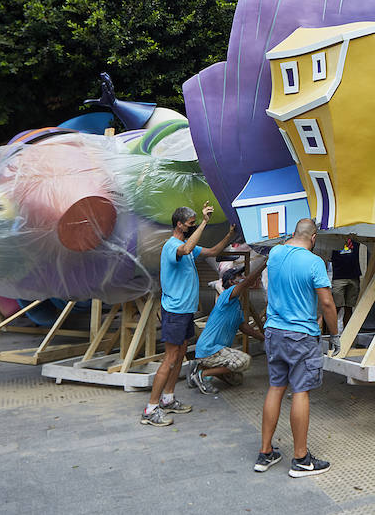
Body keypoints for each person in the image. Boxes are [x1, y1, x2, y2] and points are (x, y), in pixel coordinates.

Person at [142, 202, 236, 426]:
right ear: (179, 225)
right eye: (191, 224)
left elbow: (212, 251)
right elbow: (183, 250)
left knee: (181, 354)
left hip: (185, 312)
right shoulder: (172, 246)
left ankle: (168, 398)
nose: (193, 227)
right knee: (171, 358)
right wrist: (204, 222)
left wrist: (230, 234)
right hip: (174, 312)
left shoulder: (188, 245)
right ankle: (150, 408)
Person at [256, 218, 337, 477]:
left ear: (293, 233)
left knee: (276, 387)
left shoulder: (275, 253)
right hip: (301, 336)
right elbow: (326, 303)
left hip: (273, 332)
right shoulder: (314, 262)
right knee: (301, 391)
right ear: (314, 238)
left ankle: (265, 452)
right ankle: (301, 459)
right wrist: (335, 334)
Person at [187, 263, 266, 395]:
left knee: (237, 379)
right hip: (210, 349)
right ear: (231, 281)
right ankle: (202, 374)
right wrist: (264, 264)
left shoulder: (236, 305)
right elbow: (248, 281)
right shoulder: (226, 295)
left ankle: (199, 367)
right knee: (244, 361)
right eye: (239, 276)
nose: (242, 277)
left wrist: (264, 338)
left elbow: (244, 327)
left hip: (216, 350)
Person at [330, 237, 362, 330]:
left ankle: (347, 333)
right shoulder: (336, 237)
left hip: (353, 275)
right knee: (336, 307)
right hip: (339, 276)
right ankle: (330, 333)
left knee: (349, 307)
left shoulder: (356, 237)